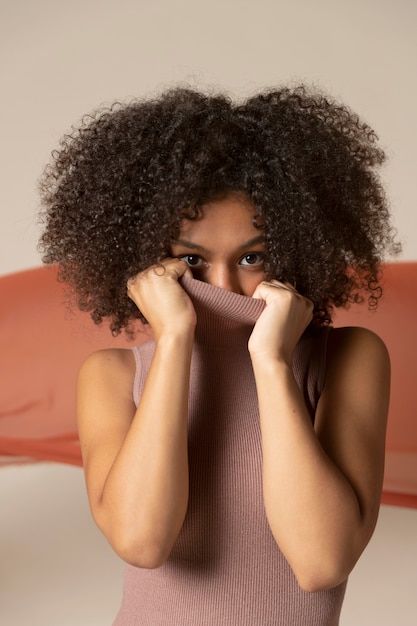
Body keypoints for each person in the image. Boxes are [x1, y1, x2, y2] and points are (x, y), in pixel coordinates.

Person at [38, 85, 400, 625]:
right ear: (146, 259)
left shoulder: (350, 358)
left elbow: (322, 561)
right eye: (192, 259)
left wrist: (272, 363)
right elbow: (142, 541)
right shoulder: (112, 374)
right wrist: (176, 339)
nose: (225, 286)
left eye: (252, 256)